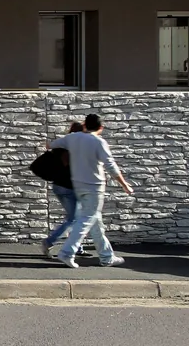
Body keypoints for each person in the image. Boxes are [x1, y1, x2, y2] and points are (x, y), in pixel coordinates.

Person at [52, 113, 134, 268]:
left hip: (78, 186)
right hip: (94, 188)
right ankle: (67, 253)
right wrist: (124, 185)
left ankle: (107, 257)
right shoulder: (98, 142)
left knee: (95, 222)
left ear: (85, 125)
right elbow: (110, 165)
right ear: (101, 127)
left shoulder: (73, 138)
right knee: (86, 220)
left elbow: (52, 144)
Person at [39, 121, 85, 258]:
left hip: (58, 186)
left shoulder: (61, 144)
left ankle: (77, 247)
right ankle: (49, 241)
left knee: (75, 217)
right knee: (74, 219)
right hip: (70, 187)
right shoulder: (78, 147)